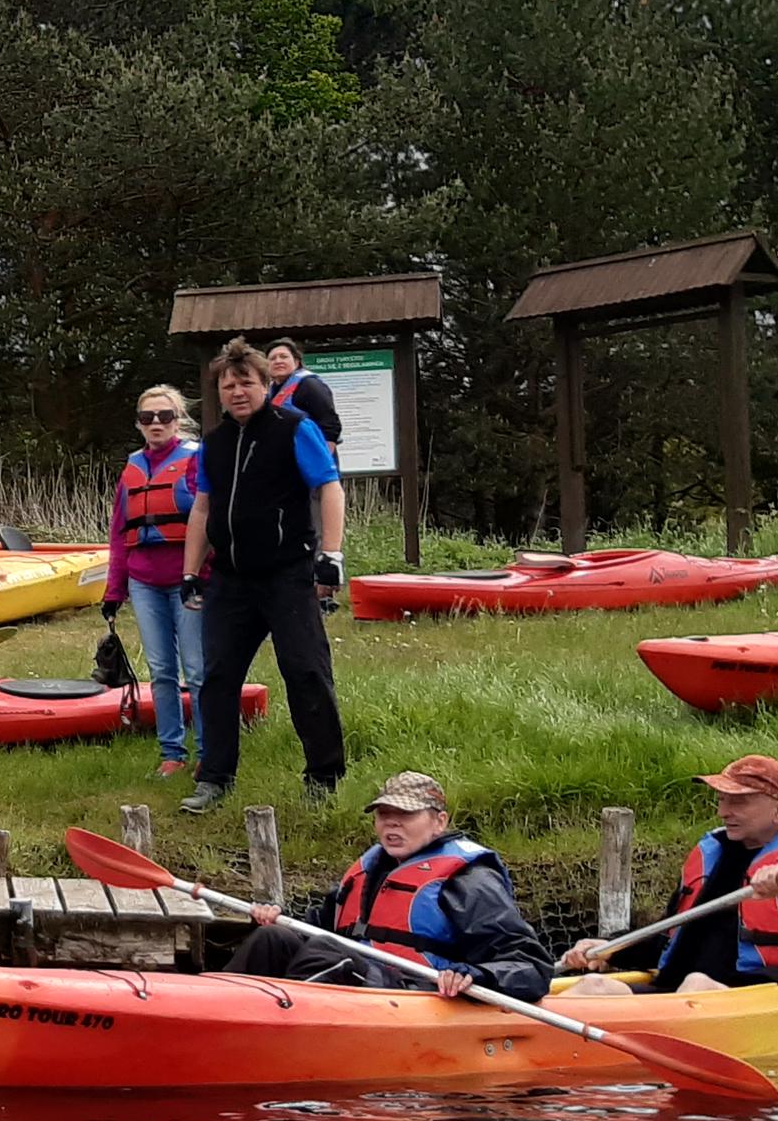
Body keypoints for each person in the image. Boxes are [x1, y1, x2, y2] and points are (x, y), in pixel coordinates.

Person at [180, 338, 346, 813]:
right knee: (216, 677)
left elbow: (328, 487)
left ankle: (324, 777)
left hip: (287, 573)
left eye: (246, 383)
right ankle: (215, 777)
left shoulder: (294, 428)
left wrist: (330, 554)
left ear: (265, 384)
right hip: (230, 578)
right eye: (228, 385)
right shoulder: (214, 443)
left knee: (305, 671)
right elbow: (203, 508)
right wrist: (190, 572)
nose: (236, 392)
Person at [560, 753, 778, 995]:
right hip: (678, 994)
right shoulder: (713, 853)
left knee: (697, 984)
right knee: (593, 986)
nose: (723, 811)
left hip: (764, 993)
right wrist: (613, 948)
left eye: (739, 802)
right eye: (723, 800)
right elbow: (671, 937)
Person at [226, 772, 551, 1002]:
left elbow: (531, 965)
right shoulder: (372, 868)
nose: (392, 824)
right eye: (384, 815)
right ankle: (218, 1006)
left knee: (329, 957)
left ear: (439, 821)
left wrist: (476, 976)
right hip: (360, 982)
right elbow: (317, 926)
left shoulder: (469, 881)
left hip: (414, 993)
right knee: (274, 938)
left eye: (405, 815)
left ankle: (276, 1025)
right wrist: (278, 918)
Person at [103, 384, 205, 777]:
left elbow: (209, 520)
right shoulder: (131, 469)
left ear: (177, 420)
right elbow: (118, 536)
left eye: (164, 416)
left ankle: (208, 754)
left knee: (196, 670)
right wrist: (115, 590)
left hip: (188, 580)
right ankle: (171, 754)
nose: (156, 423)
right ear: (139, 424)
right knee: (161, 670)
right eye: (148, 418)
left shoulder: (197, 462)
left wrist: (201, 575)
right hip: (144, 583)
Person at [262, 336, 345, 460]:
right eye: (272, 358)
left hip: (314, 457)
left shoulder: (309, 385)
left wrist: (323, 459)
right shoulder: (270, 392)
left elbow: (330, 423)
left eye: (283, 357)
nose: (278, 361)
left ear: (296, 362)